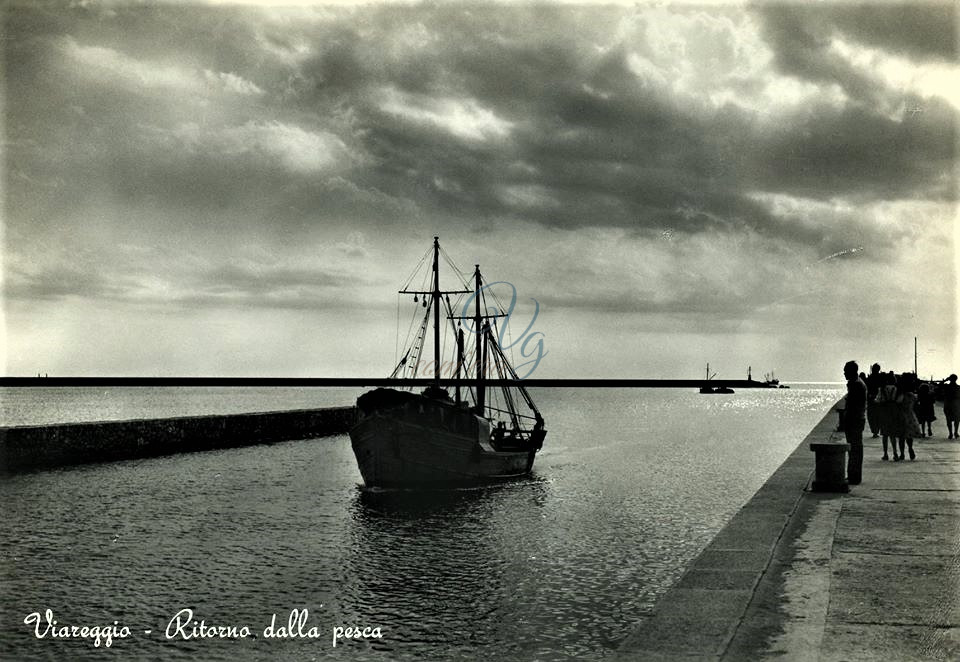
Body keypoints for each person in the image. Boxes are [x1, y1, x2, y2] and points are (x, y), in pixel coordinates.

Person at [843, 360, 867, 485]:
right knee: (855, 449)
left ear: (851, 371)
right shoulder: (857, 383)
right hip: (857, 419)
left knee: (854, 449)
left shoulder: (855, 384)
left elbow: (852, 406)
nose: (844, 373)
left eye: (845, 371)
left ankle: (854, 476)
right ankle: (854, 475)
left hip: (855, 420)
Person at [895, 373, 922, 461]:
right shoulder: (912, 394)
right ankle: (910, 448)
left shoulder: (901, 394)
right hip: (911, 414)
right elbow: (916, 404)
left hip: (901, 415)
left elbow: (898, 402)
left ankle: (902, 453)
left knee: (901, 436)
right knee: (909, 435)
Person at [874, 371, 899, 460]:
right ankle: (895, 453)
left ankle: (885, 454)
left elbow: (878, 400)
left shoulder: (882, 389)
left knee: (885, 435)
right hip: (893, 411)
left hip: (884, 411)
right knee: (893, 434)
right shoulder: (896, 389)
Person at [865, 363, 883, 438]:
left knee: (871, 416)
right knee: (878, 416)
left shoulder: (870, 378)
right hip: (878, 400)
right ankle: (876, 431)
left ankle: (874, 431)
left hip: (871, 399)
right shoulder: (880, 378)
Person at [943, 374, 960, 439]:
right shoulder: (958, 387)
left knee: (948, 419)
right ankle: (955, 432)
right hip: (956, 404)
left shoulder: (946, 387)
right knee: (957, 419)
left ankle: (950, 433)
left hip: (948, 404)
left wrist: (945, 380)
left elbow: (939, 386)